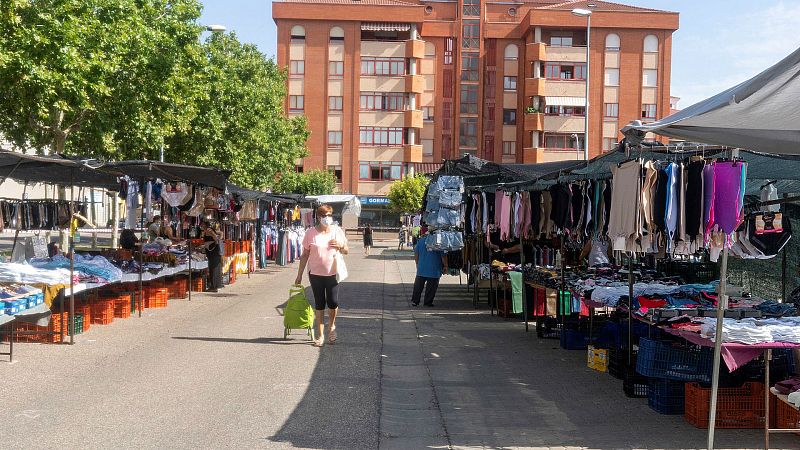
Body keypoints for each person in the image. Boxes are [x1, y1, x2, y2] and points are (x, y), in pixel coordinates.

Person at [295, 204, 349, 347]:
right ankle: (320, 335)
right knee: (319, 304)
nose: (327, 218)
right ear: (318, 217)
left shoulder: (337, 231)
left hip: (333, 273)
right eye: (324, 215)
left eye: (330, 215)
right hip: (315, 274)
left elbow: (346, 250)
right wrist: (299, 274)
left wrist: (340, 246)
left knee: (333, 303)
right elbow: (305, 254)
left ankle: (332, 326)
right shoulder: (310, 233)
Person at [412, 226, 447, 307]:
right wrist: (445, 266)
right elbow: (443, 256)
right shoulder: (439, 242)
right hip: (434, 269)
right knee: (431, 287)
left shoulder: (421, 241)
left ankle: (415, 301)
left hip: (422, 268)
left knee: (418, 286)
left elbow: (416, 253)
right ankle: (427, 302)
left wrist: (417, 263)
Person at [200, 221, 223, 292]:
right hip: (213, 251)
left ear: (205, 224)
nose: (201, 225)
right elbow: (221, 233)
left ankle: (213, 287)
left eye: (202, 224)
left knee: (213, 268)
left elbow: (215, 237)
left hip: (213, 251)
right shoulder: (210, 229)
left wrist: (215, 242)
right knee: (214, 267)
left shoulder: (208, 230)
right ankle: (215, 285)